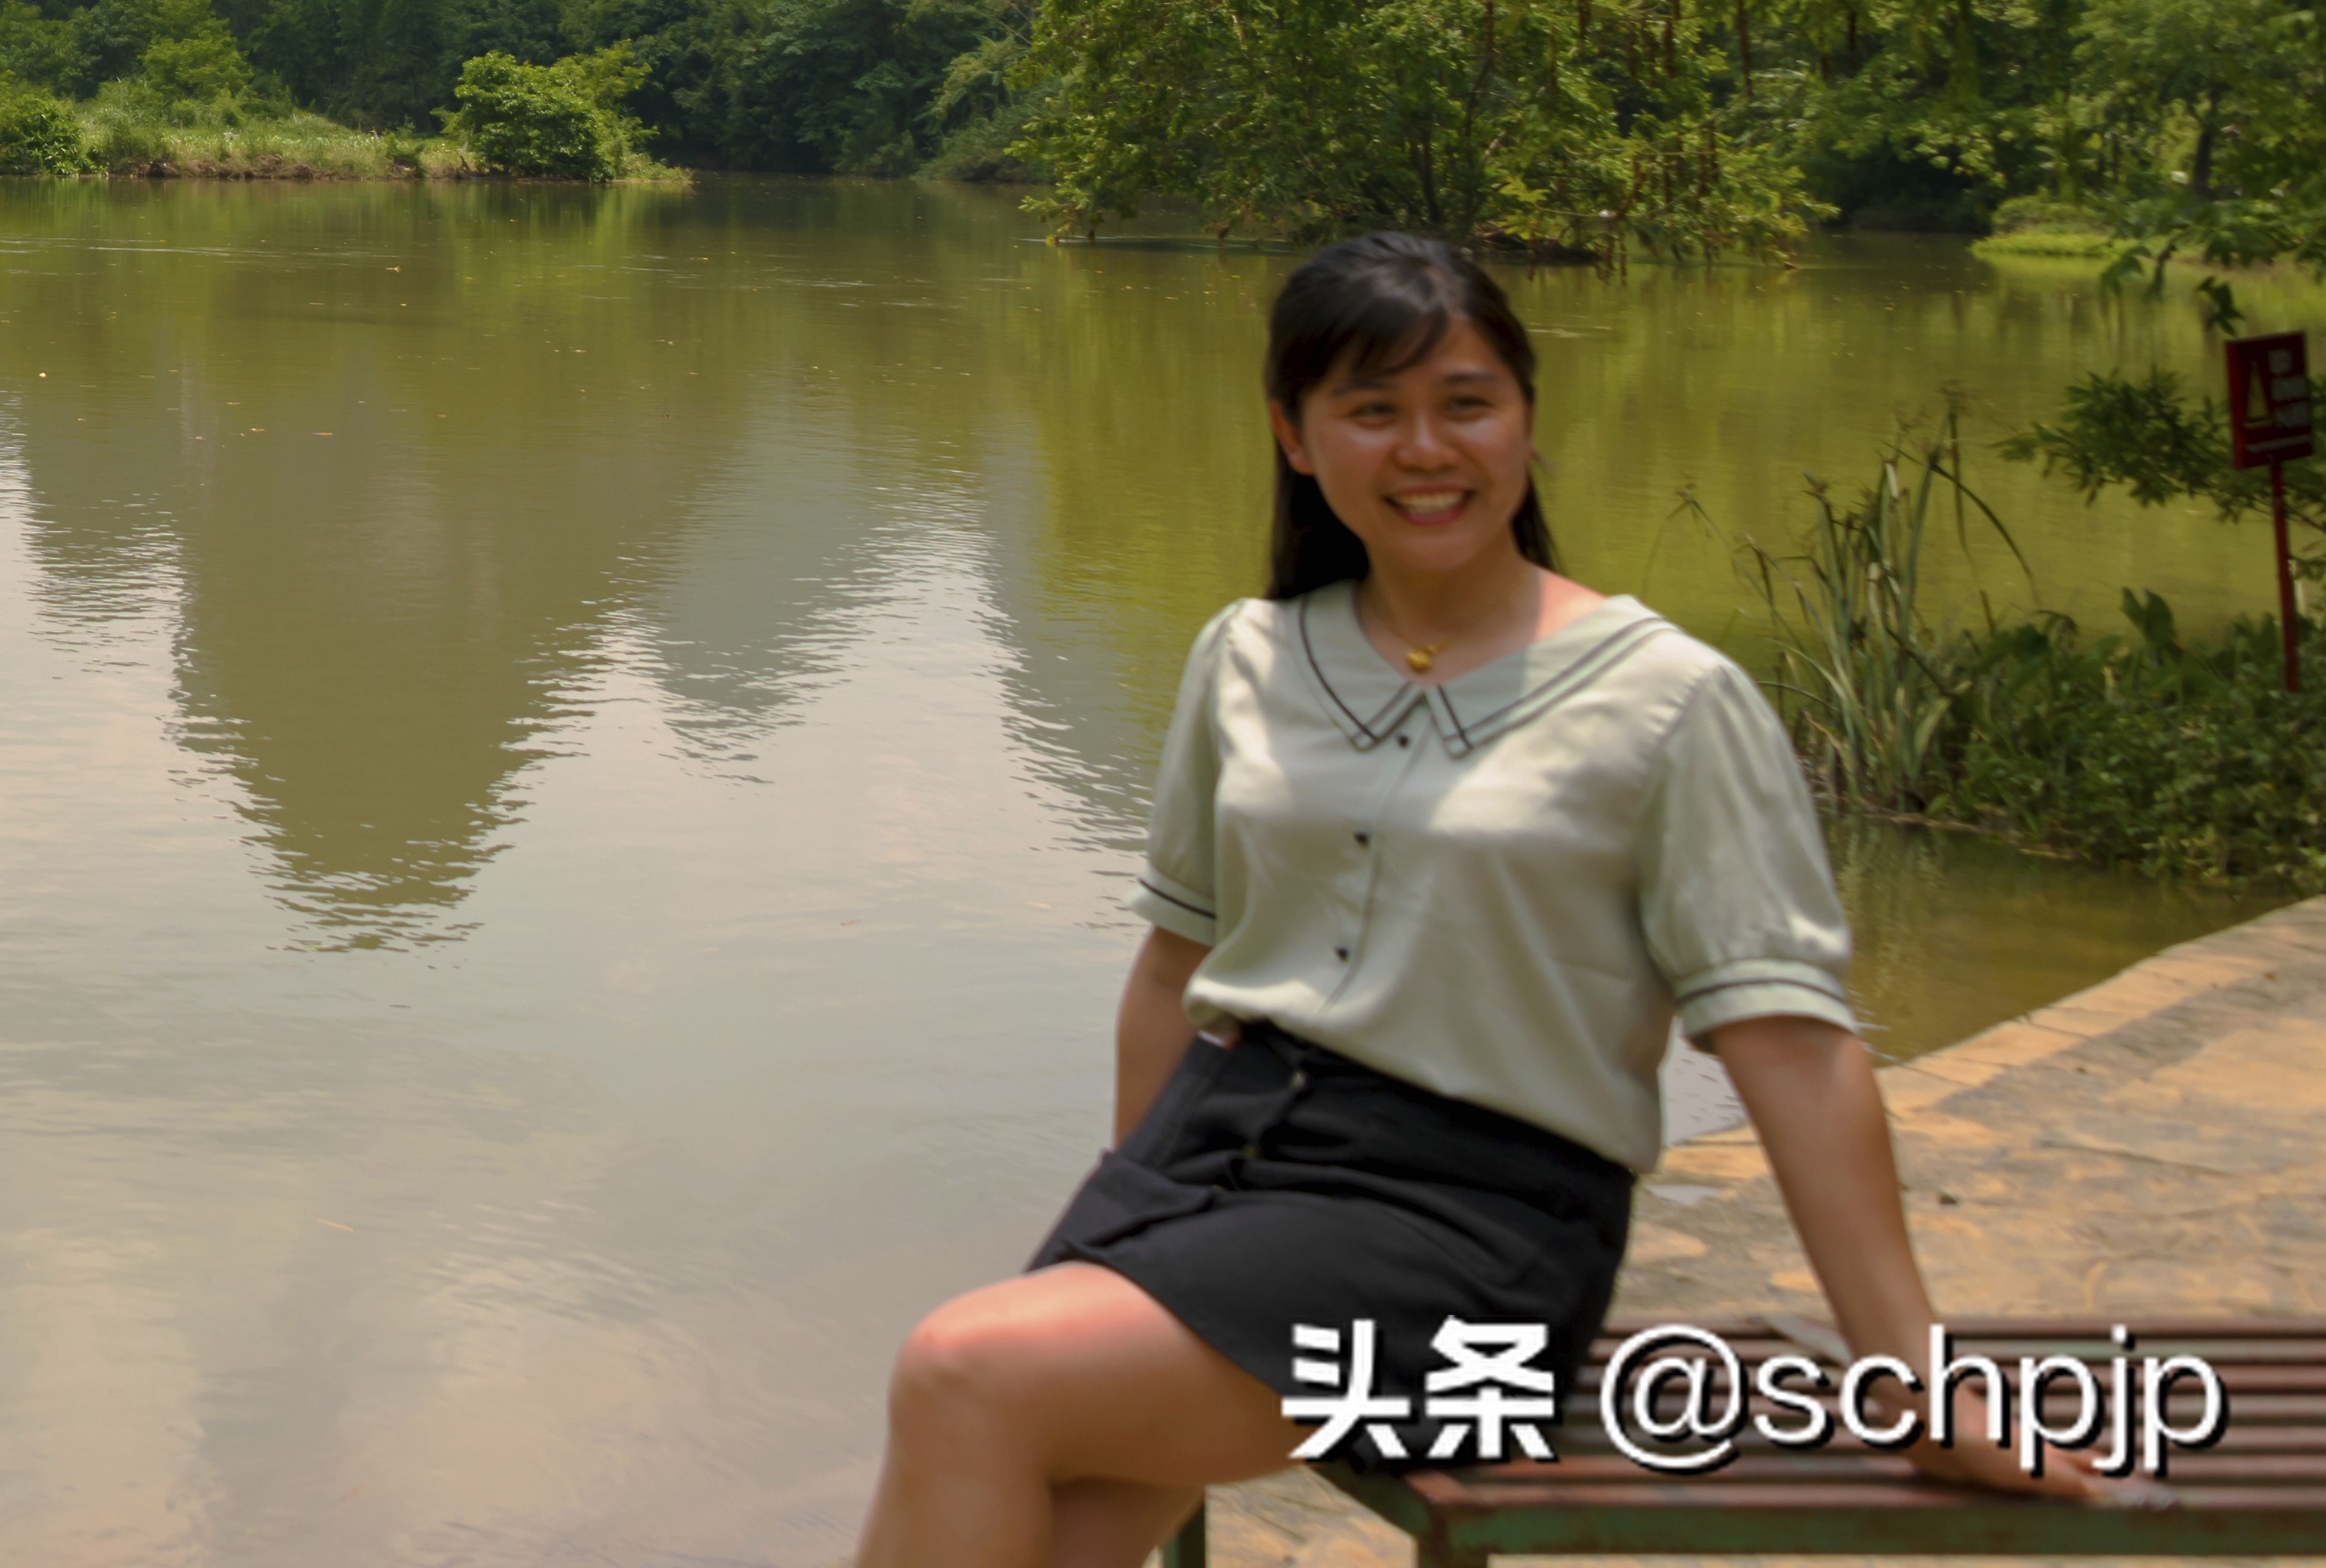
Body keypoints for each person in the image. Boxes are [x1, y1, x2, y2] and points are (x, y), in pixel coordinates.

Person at [852, 230, 2126, 1566]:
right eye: (1371, 410)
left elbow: (1797, 1052)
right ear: (1295, 436)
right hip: (1211, 1166)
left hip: (1479, 1232)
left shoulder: (1667, 700)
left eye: (1466, 402)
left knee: (965, 1375)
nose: (1425, 449)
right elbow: (1174, 974)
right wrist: (1133, 1253)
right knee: (1043, 1516)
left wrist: (1914, 1379)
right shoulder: (1249, 655)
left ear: (1525, 417)